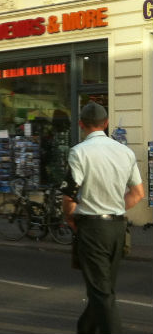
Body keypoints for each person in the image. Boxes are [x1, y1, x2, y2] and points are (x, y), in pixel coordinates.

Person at [62, 102, 144, 334]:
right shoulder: (125, 152)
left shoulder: (79, 152)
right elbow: (138, 193)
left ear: (81, 124)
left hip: (92, 228)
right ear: (106, 123)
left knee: (101, 292)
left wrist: (71, 219)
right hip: (118, 228)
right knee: (104, 289)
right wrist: (117, 206)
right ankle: (85, 328)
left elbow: (69, 196)